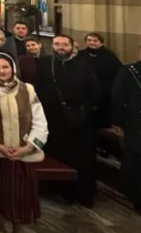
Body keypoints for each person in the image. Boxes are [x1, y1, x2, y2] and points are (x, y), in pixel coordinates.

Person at [0, 53, 48, 233]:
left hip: (23, 152)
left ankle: (19, 229)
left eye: (5, 67)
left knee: (21, 196)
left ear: (13, 68)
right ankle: (0, 227)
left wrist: (28, 147)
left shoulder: (27, 89)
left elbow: (40, 120)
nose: (2, 71)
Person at [34, 34, 102, 207]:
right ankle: (58, 189)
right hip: (53, 119)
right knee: (57, 154)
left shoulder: (85, 65)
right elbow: (37, 89)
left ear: (73, 46)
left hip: (80, 121)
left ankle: (83, 192)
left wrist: (86, 111)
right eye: (57, 44)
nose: (60, 47)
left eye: (65, 44)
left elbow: (94, 91)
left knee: (83, 158)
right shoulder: (44, 64)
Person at [111, 47, 141, 210]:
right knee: (135, 159)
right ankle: (135, 194)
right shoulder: (128, 71)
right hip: (134, 122)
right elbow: (117, 96)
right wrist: (117, 121)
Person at [78, 32, 122, 128]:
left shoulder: (109, 56)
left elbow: (117, 74)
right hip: (85, 94)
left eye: (95, 40)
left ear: (101, 43)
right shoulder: (80, 55)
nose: (92, 43)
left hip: (105, 94)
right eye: (89, 40)